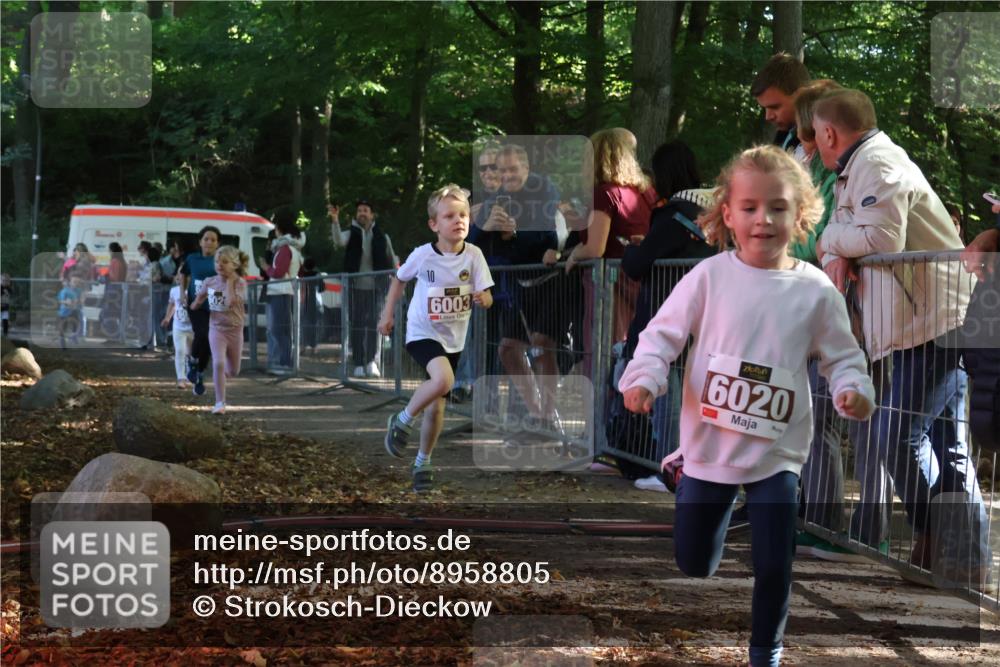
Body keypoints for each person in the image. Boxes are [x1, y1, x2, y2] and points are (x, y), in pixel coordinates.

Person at [620, 145, 875, 667]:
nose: (765, 220)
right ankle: (683, 467)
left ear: (800, 214)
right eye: (751, 207)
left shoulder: (815, 291)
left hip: (777, 450)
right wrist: (645, 377)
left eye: (779, 208)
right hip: (710, 445)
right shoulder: (709, 277)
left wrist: (854, 389)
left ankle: (766, 653)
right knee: (695, 563)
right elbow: (660, 336)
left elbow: (844, 356)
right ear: (728, 215)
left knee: (774, 559)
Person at [812, 88, 989, 582]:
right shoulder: (860, 167)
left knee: (899, 434)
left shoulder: (879, 163)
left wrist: (831, 241)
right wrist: (838, 243)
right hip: (921, 321)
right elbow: (852, 232)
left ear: (829, 133)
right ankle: (966, 559)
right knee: (944, 443)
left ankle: (941, 537)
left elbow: (879, 238)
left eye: (817, 137)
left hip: (936, 321)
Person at [379, 184, 494, 492]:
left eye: (463, 215)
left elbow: (487, 294)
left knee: (438, 407)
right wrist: (387, 315)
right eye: (449, 216)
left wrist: (485, 298)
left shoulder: (474, 255)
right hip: (421, 332)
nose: (459, 221)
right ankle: (402, 419)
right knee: (443, 381)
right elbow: (398, 280)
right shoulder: (422, 256)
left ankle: (422, 461)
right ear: (434, 224)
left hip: (453, 339)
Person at [620, 141, 714, 482]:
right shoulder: (713, 213)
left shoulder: (674, 214)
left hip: (666, 312)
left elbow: (639, 264)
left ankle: (672, 470)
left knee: (669, 396)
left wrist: (631, 251)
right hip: (706, 318)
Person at [470, 143, 562, 433]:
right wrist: (487, 229)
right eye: (502, 170)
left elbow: (548, 238)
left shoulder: (545, 190)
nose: (507, 175)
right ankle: (538, 416)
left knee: (542, 345)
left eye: (513, 169)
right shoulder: (496, 198)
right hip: (518, 285)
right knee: (507, 350)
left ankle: (549, 416)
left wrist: (513, 234)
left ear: (526, 168)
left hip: (550, 282)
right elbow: (475, 246)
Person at [565, 127, 658, 344]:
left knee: (604, 350)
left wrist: (574, 254)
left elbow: (595, 248)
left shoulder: (604, 194)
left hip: (611, 286)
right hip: (642, 281)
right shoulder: (646, 192)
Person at [452, 143, 503, 403]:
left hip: (508, 284)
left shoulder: (516, 198)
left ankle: (492, 402)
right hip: (480, 284)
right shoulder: (480, 206)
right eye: (482, 168)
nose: (487, 173)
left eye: (493, 167)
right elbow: (466, 243)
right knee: (477, 339)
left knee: (501, 346)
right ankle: (476, 394)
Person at [330, 199, 397, 378]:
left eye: (366, 210)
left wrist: (398, 281)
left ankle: (371, 362)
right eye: (359, 210)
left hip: (377, 288)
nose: (362, 213)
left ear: (372, 215)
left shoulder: (383, 237)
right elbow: (338, 241)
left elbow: (392, 260)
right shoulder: (351, 234)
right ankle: (358, 362)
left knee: (375, 325)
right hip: (355, 288)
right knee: (357, 325)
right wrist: (335, 220)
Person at [192, 246, 249, 415]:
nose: (219, 265)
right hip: (217, 330)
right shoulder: (210, 281)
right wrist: (195, 303)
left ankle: (222, 374)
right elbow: (200, 297)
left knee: (233, 371)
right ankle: (219, 403)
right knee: (218, 362)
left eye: (224, 262)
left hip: (235, 331)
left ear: (234, 265)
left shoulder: (240, 283)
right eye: (217, 261)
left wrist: (230, 282)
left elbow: (230, 302)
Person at [259, 209, 305, 373]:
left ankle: (284, 363)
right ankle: (284, 362)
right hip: (285, 292)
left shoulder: (285, 249)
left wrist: (266, 268)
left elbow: (278, 273)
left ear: (279, 229)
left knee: (280, 330)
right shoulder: (293, 249)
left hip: (281, 292)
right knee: (283, 330)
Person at [180, 226, 221, 397]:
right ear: (200, 242)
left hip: (216, 304)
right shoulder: (192, 258)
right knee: (202, 333)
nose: (209, 242)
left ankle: (200, 374)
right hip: (196, 304)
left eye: (213, 240)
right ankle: (193, 362)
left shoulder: (221, 260)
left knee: (212, 341)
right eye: (206, 239)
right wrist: (182, 293)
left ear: (218, 243)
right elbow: (183, 274)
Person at [751, 52, 811, 153]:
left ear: (801, 96)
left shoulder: (821, 141)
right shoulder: (783, 138)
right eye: (765, 108)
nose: (768, 116)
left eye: (775, 107)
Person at [161, 271, 194, 389]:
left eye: (184, 274)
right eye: (180, 274)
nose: (182, 276)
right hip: (178, 327)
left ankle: (191, 374)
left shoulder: (195, 290)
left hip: (193, 327)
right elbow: (172, 304)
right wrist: (167, 318)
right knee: (180, 351)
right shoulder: (174, 291)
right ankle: (181, 378)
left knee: (191, 353)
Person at [99, 242, 127, 342]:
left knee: (107, 314)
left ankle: (112, 337)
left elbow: (114, 278)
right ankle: (114, 337)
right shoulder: (122, 261)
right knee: (114, 315)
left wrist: (104, 276)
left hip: (112, 291)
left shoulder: (115, 261)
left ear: (111, 251)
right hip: (119, 291)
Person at [299, 257, 321, 355]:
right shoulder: (317, 275)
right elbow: (321, 288)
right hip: (315, 301)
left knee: (304, 324)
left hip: (305, 301)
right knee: (314, 324)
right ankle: (314, 347)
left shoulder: (303, 276)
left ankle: (303, 346)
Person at [57, 276, 83, 349]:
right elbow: (60, 300)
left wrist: (78, 301)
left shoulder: (78, 291)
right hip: (64, 312)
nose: (76, 283)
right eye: (74, 282)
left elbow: (80, 300)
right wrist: (66, 302)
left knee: (76, 323)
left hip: (73, 311)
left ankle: (73, 336)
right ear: (70, 282)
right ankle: (62, 342)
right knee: (63, 327)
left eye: (77, 282)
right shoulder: (64, 291)